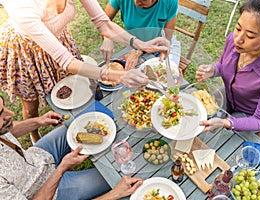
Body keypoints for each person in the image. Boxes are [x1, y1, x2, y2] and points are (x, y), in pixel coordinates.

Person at [0, 0, 169, 144]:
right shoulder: (22, 6)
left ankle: (65, 122)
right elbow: (66, 61)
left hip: (59, 39)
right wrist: (121, 76)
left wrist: (140, 44)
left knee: (68, 90)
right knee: (30, 105)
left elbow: (103, 22)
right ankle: (34, 134)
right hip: (26, 50)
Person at [0, 95, 143, 199]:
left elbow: (8, 130)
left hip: (38, 157)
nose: (11, 114)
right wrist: (62, 168)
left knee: (77, 125)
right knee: (117, 176)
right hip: (46, 192)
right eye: (0, 115)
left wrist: (39, 121)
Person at [197, 0, 260, 133]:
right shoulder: (233, 40)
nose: (238, 39)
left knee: (217, 136)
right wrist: (213, 70)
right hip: (228, 95)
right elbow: (223, 64)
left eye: (250, 36)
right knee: (199, 116)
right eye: (238, 28)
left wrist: (226, 122)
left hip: (250, 114)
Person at [100, 0, 181, 70]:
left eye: (142, 1)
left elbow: (167, 37)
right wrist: (107, 38)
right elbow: (103, 21)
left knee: (166, 78)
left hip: (159, 44)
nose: (136, 3)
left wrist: (139, 51)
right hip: (133, 43)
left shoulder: (170, 2)